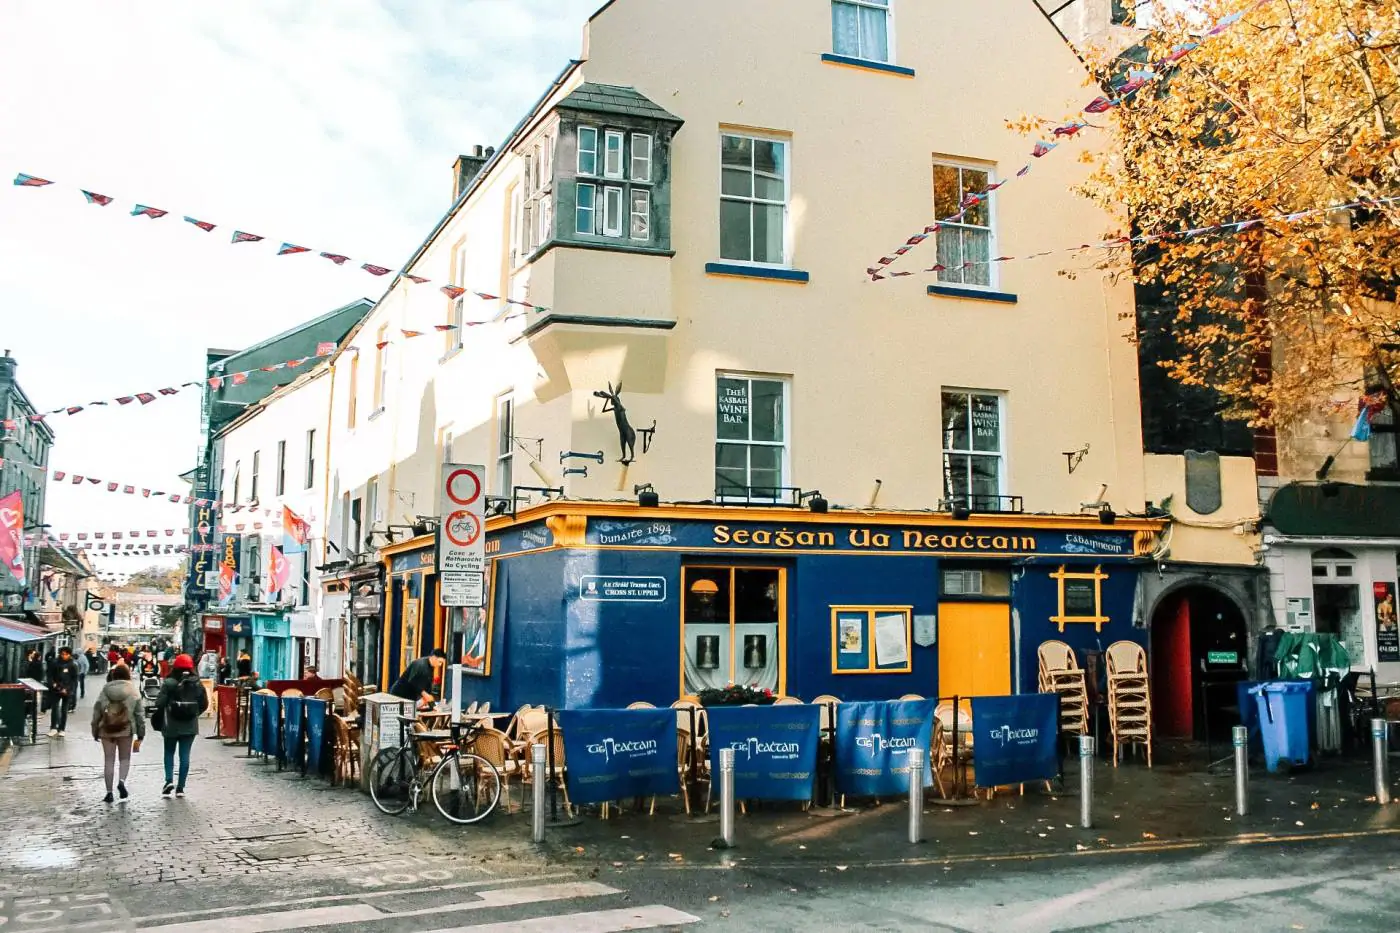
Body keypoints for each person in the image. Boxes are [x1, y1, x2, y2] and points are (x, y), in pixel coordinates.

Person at [153, 654, 208, 798]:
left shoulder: (169, 682)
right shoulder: (197, 683)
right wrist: (193, 713)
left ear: (175, 667)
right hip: (190, 725)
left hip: (171, 724)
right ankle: (181, 788)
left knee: (169, 752)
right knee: (185, 756)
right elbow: (204, 704)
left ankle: (169, 780)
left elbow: (159, 703)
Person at [91, 664, 145, 803]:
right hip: (126, 729)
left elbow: (97, 710)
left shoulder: (105, 689)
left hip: (106, 729)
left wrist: (95, 729)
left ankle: (109, 793)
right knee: (124, 759)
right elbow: (139, 714)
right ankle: (121, 781)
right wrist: (140, 734)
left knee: (108, 760)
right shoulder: (133, 690)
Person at [47, 646, 80, 737]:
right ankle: (53, 727)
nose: (63, 656)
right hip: (56, 688)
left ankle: (62, 728)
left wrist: (69, 689)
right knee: (55, 708)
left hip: (67, 690)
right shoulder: (55, 663)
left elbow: (74, 679)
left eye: (66, 654)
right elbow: (49, 675)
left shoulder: (73, 665)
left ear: (69, 655)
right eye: (62, 654)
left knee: (64, 710)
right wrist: (52, 683)